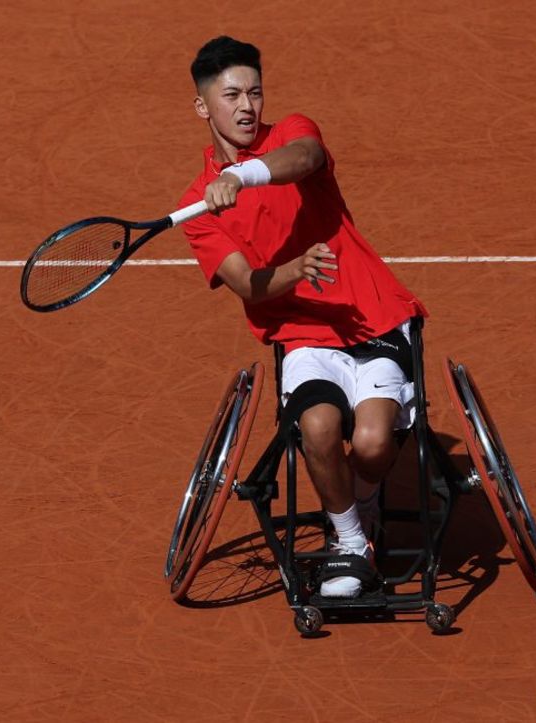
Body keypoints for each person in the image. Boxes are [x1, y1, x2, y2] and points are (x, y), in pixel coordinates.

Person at [179, 36, 427, 599]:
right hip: (303, 335)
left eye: (255, 92)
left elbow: (306, 159)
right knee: (316, 427)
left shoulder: (291, 133)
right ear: (202, 107)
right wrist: (295, 269)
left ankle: (363, 502)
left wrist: (243, 176)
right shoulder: (200, 207)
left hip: (374, 316)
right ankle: (350, 542)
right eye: (232, 95)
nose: (247, 107)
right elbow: (248, 285)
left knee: (369, 443)